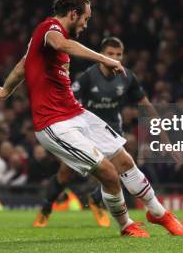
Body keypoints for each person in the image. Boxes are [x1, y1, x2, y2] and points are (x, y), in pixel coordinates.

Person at [0, 0, 183, 237]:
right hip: (53, 124)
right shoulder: (49, 30)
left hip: (76, 114)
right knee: (108, 173)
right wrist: (104, 58)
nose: (86, 24)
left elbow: (23, 65)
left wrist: (5, 90)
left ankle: (158, 213)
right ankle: (126, 226)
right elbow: (61, 44)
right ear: (72, 14)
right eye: (86, 18)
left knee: (124, 160)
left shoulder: (44, 41)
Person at [34, 36, 174, 230]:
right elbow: (67, 100)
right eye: (110, 54)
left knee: (120, 169)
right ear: (102, 55)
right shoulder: (88, 76)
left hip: (111, 129)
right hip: (85, 129)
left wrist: (164, 135)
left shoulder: (127, 77)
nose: (114, 57)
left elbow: (145, 105)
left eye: (118, 54)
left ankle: (96, 202)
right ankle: (45, 210)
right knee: (66, 173)